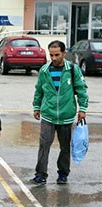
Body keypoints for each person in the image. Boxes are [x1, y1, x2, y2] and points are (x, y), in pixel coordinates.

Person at [31, 40, 89, 185]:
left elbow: (81, 90)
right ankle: (40, 174)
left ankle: (63, 174)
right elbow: (39, 91)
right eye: (51, 55)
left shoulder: (73, 70)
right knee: (44, 145)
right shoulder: (44, 71)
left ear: (64, 53)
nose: (54, 58)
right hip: (48, 116)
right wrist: (36, 107)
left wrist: (82, 109)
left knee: (65, 147)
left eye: (57, 55)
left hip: (66, 116)